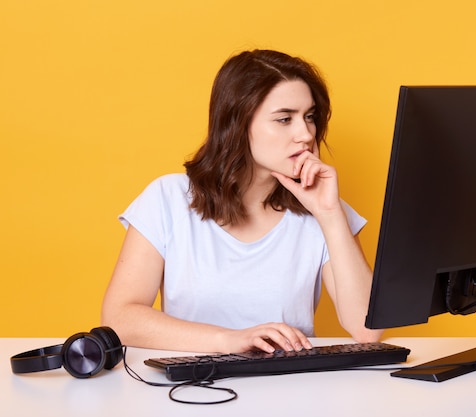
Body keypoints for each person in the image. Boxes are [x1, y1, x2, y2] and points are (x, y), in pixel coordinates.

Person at [101, 49, 383, 354]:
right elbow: (119, 319)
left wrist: (329, 214)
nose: (305, 134)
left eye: (309, 117)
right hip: (191, 390)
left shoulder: (323, 209)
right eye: (284, 119)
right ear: (238, 123)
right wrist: (229, 340)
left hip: (292, 386)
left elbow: (368, 329)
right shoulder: (168, 199)